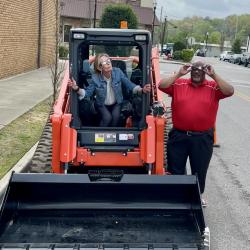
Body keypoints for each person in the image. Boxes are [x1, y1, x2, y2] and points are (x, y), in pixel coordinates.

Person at [158, 61, 234, 206]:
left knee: (199, 170)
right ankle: (178, 197)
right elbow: (162, 85)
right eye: (194, 70)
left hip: (202, 138)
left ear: (205, 72)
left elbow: (229, 91)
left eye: (200, 71)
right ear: (190, 72)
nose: (197, 73)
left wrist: (215, 75)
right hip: (179, 135)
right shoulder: (180, 84)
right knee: (175, 169)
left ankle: (196, 196)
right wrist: (180, 73)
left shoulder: (213, 87)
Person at [68, 53, 151, 126]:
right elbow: (87, 93)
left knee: (115, 117)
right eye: (104, 62)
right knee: (107, 118)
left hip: (116, 102)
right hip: (101, 103)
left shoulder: (118, 72)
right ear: (100, 67)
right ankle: (99, 136)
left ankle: (112, 137)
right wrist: (76, 88)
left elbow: (129, 85)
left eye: (108, 60)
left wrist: (141, 90)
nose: (108, 63)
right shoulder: (95, 78)